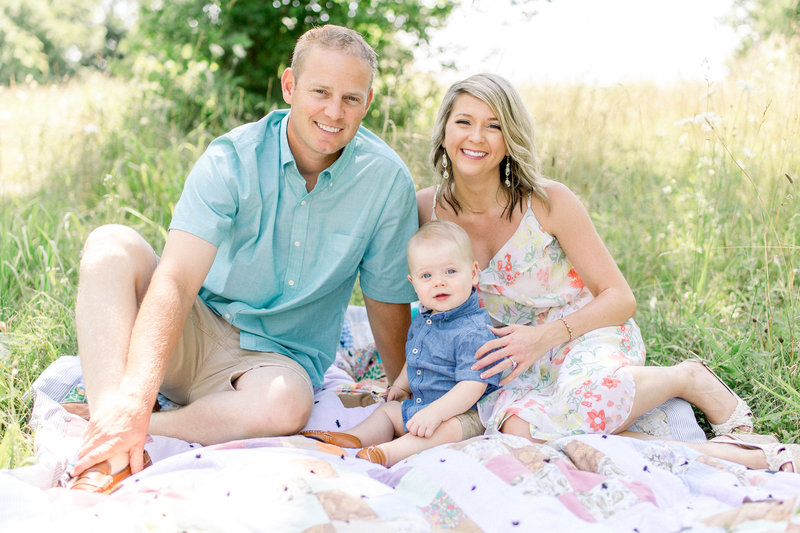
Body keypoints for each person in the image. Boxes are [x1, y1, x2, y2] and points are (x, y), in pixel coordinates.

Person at [67, 24, 419, 493]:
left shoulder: (386, 180)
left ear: (368, 102)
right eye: (320, 92)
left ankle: (131, 430)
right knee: (111, 242)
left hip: (274, 367)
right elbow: (175, 281)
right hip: (196, 330)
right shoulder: (232, 158)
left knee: (286, 406)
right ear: (290, 86)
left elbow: (386, 298)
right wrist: (136, 396)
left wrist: (406, 388)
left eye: (351, 99)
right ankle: (115, 419)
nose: (334, 112)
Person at [414, 73, 799, 472]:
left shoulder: (548, 201)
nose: (476, 136)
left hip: (583, 333)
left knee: (590, 399)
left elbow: (620, 298)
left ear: (510, 138)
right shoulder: (426, 210)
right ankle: (728, 456)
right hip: (513, 361)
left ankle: (686, 377)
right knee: (518, 432)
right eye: (464, 122)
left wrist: (542, 337)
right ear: (444, 131)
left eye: (494, 125)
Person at [301, 220, 501, 467]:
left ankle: (389, 452)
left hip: (467, 413)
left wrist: (436, 413)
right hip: (422, 406)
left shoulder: (472, 330)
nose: (439, 282)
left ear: (473, 274)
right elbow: (417, 357)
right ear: (413, 283)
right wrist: (400, 386)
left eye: (450, 271)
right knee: (388, 411)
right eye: (426, 275)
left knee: (449, 429)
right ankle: (355, 438)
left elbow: (472, 386)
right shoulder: (427, 317)